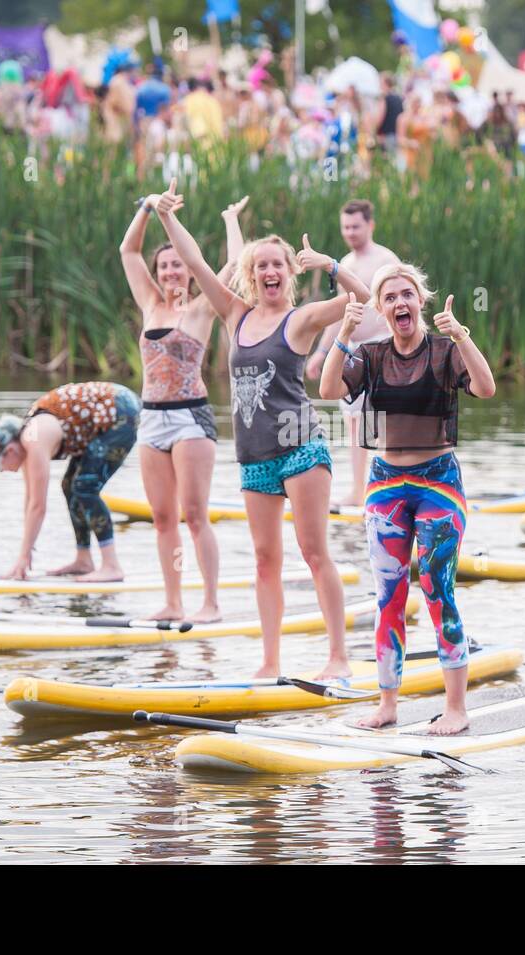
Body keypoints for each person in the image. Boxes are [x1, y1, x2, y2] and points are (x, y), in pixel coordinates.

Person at [154, 179, 371, 681]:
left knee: (315, 553)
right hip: (254, 456)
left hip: (301, 447)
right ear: (251, 275)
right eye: (260, 265)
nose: (269, 271)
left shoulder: (302, 319)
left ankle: (338, 655)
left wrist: (332, 266)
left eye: (277, 263)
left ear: (288, 272)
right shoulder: (235, 314)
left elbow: (365, 297)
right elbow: (199, 265)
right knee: (264, 560)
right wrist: (168, 217)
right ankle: (270, 662)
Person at [319, 266, 496, 734]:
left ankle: (456, 709)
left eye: (407, 295)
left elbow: (485, 387)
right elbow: (327, 389)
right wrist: (344, 330)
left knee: (438, 590)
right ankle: (387, 706)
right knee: (389, 596)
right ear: (381, 308)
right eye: (391, 297)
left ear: (421, 301)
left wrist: (462, 336)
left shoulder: (444, 351)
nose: (400, 303)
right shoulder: (371, 355)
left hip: (438, 482)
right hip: (384, 485)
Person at [118, 191, 248, 622]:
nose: (172, 270)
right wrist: (147, 206)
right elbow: (128, 249)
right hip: (151, 421)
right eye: (165, 266)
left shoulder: (203, 307)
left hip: (190, 419)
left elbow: (237, 262)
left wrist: (231, 219)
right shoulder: (151, 305)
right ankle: (173, 601)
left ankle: (210, 602)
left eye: (178, 264)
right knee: (161, 518)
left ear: (191, 272)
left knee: (194, 515)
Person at [0, 382, 141, 582]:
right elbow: (30, 502)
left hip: (119, 410)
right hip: (104, 416)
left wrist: (23, 557)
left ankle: (111, 566)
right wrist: (26, 549)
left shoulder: (33, 439)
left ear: (9, 451)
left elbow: (39, 506)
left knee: (85, 487)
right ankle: (84, 560)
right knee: (70, 487)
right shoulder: (27, 443)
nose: (1, 471)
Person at [306, 199, 401, 507]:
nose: (350, 232)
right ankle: (358, 489)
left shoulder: (386, 260)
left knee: (382, 419)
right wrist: (321, 352)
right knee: (354, 421)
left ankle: (390, 484)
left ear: (370, 225)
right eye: (345, 227)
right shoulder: (345, 262)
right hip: (353, 352)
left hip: (383, 348)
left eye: (355, 226)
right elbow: (340, 314)